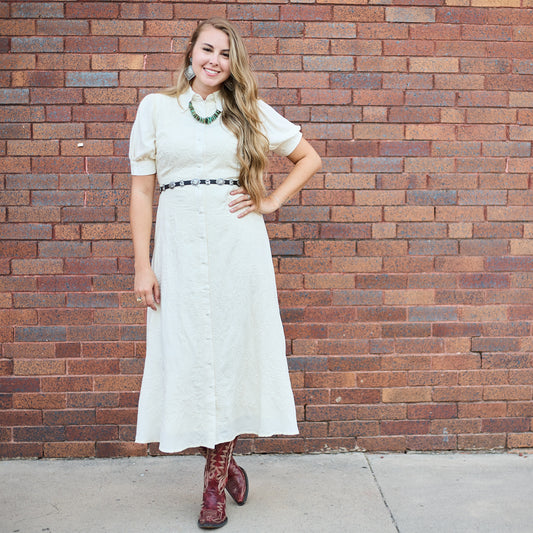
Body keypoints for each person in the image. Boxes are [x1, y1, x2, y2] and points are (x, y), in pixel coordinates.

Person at [128, 17, 321, 530]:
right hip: (180, 249)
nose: (214, 60)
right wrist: (142, 264)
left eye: (225, 54)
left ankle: (212, 489)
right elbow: (143, 191)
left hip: (238, 246)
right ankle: (226, 462)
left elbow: (307, 156)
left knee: (230, 356)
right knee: (189, 359)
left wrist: (273, 199)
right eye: (207, 49)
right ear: (190, 52)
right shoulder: (156, 109)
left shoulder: (246, 110)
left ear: (234, 64)